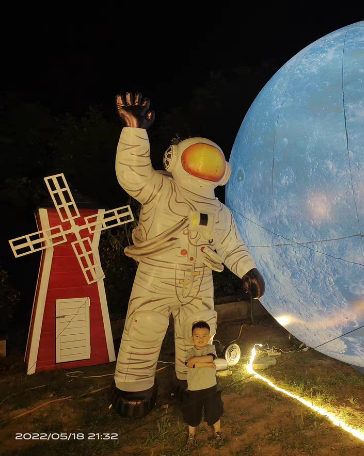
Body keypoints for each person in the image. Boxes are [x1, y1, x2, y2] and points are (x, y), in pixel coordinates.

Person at [110, 92, 265, 418]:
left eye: (211, 162)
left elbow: (231, 246)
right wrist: (135, 131)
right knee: (144, 326)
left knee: (198, 330)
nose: (204, 166)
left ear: (223, 172)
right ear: (173, 160)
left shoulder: (219, 212)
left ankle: (191, 379)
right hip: (156, 274)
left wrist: (248, 270)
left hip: (199, 278)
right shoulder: (160, 188)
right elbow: (132, 173)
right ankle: (134, 386)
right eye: (198, 158)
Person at [182, 320, 224, 443]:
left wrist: (196, 361)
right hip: (194, 388)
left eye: (204, 336)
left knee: (213, 411)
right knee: (193, 413)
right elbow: (189, 364)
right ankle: (191, 436)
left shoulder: (211, 348)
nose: (201, 339)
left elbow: (210, 358)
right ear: (192, 338)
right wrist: (205, 364)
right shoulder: (190, 352)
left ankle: (217, 432)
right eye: (197, 336)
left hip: (210, 387)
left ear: (209, 337)